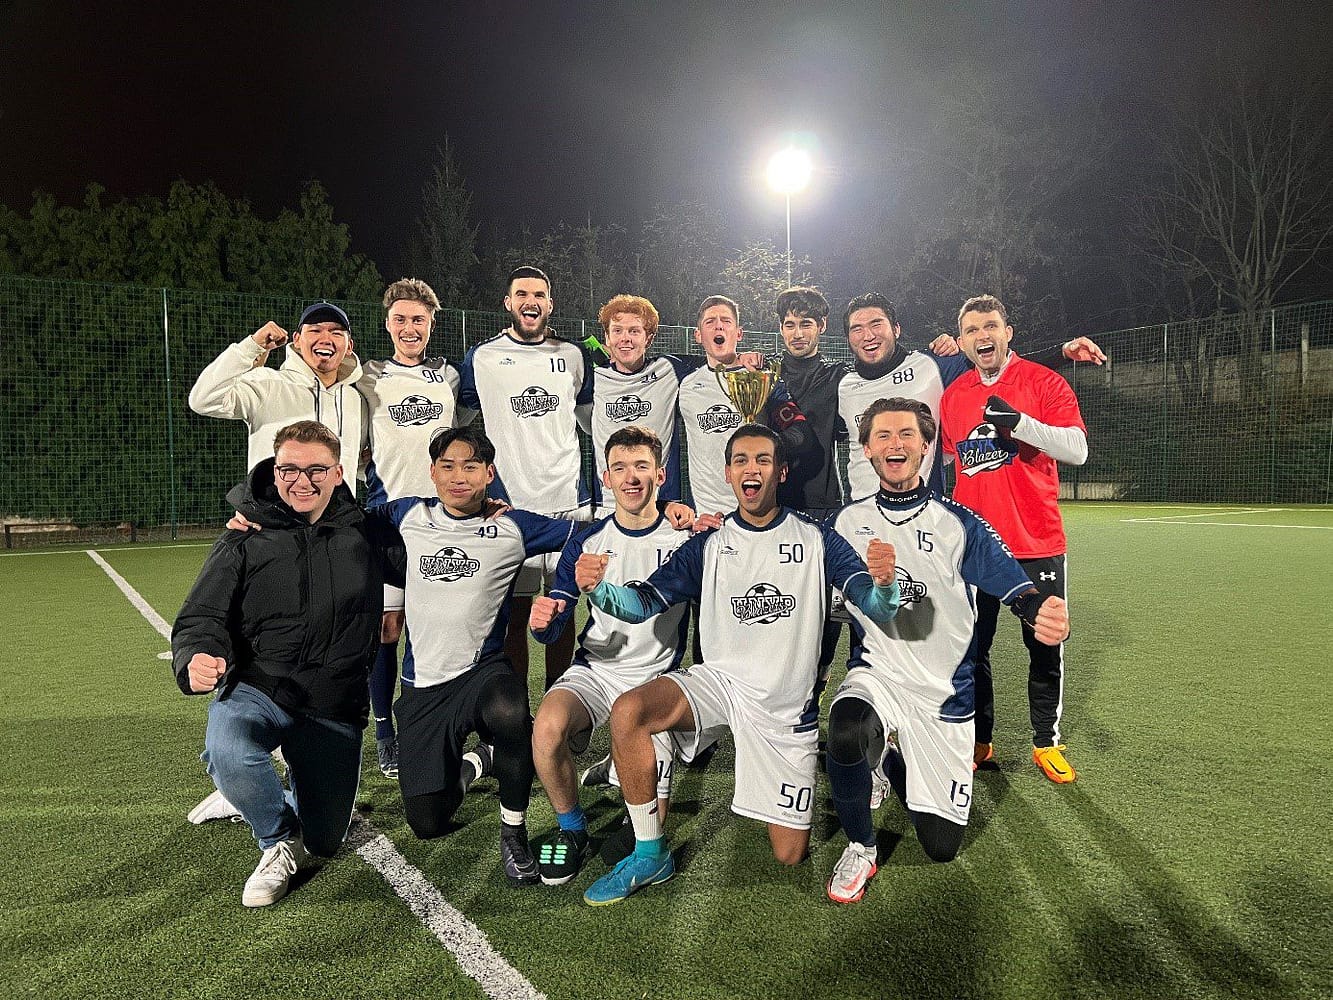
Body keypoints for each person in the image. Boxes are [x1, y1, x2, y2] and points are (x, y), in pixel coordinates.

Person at [573, 424, 901, 906]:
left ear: (781, 472)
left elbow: (876, 607)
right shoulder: (709, 544)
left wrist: (886, 584)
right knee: (630, 711)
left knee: (789, 853)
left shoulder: (817, 539)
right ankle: (650, 853)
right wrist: (598, 590)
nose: (753, 469)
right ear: (728, 474)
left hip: (784, 712)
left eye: (763, 460)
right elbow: (642, 603)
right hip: (720, 684)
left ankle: (882, 760)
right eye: (742, 461)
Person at [824, 398, 1070, 903]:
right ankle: (861, 846)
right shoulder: (845, 524)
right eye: (884, 436)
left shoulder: (959, 523)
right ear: (867, 448)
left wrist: (1038, 610)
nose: (896, 445)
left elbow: (1015, 588)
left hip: (946, 699)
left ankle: (891, 756)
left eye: (908, 435)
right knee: (846, 729)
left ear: (927, 445)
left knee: (940, 846)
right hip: (880, 676)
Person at [171, 421, 400, 907]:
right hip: (261, 685)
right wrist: (195, 656)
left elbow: (440, 549)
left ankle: (245, 792)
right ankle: (274, 836)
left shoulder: (368, 532)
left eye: (317, 469)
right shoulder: (244, 537)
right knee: (230, 745)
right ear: (274, 472)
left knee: (325, 841)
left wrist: (484, 514)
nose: (302, 480)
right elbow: (202, 615)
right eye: (289, 469)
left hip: (333, 701)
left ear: (339, 473)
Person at [378, 425, 579, 883]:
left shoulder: (513, 526)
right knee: (428, 822)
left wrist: (670, 510)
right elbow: (339, 519)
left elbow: (588, 532)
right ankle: (477, 762)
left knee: (511, 714)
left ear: (489, 473)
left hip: (482, 673)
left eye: (470, 466)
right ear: (431, 472)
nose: (458, 477)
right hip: (424, 686)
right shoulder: (406, 515)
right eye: (447, 466)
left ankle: (513, 832)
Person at [527, 426, 693, 886]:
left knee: (646, 828)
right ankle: (572, 828)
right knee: (546, 728)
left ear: (660, 474)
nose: (631, 477)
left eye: (641, 466)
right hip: (596, 671)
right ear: (605, 477)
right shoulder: (586, 541)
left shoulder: (685, 539)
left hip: (654, 680)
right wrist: (544, 622)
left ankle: (632, 792)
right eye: (620, 468)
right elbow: (555, 621)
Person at [940, 294, 1090, 782]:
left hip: (1035, 541)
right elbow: (944, 459)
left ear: (1009, 333)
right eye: (972, 330)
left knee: (1043, 643)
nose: (982, 336)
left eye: (990, 326)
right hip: (976, 546)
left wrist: (1020, 425)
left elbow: (1078, 450)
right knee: (972, 648)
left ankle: (1045, 741)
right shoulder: (955, 394)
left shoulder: (1044, 381)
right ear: (961, 342)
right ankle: (980, 740)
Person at [359, 278, 474, 780]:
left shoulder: (447, 377)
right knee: (387, 629)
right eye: (401, 319)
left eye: (419, 320)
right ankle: (384, 731)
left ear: (431, 325)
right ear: (387, 323)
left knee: (432, 632)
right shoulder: (367, 376)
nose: (410, 327)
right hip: (387, 520)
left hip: (438, 522)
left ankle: (423, 727)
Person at [458, 266, 592, 689]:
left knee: (563, 608)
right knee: (514, 614)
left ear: (550, 304)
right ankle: (517, 715)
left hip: (568, 504)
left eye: (538, 294)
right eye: (522, 294)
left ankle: (557, 700)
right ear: (508, 303)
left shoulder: (573, 356)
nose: (530, 301)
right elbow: (455, 422)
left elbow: (594, 423)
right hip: (511, 507)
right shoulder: (482, 357)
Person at [838, 293, 1104, 501]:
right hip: (861, 515)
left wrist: (1062, 354)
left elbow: (998, 363)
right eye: (857, 328)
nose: (868, 335)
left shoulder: (931, 366)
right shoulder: (841, 384)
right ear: (848, 336)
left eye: (876, 324)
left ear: (896, 329)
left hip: (922, 515)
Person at [188, 301, 369, 488]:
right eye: (315, 331)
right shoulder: (267, 383)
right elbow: (203, 400)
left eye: (336, 332)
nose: (325, 338)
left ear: (349, 346)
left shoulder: (355, 400)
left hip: (337, 517)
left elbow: (353, 463)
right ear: (297, 340)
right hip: (271, 516)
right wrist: (251, 346)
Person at [676, 295, 813, 517]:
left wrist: (765, 444)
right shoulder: (685, 384)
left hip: (758, 511)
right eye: (710, 322)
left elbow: (801, 432)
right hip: (706, 515)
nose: (718, 325)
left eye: (726, 321)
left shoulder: (761, 377)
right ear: (698, 335)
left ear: (739, 333)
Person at [772, 286, 852, 520]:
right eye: (790, 325)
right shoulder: (765, 374)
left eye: (805, 324)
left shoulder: (839, 377)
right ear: (781, 328)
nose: (797, 334)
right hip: (770, 501)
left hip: (823, 503)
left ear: (822, 325)